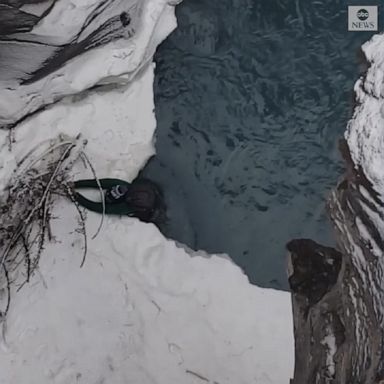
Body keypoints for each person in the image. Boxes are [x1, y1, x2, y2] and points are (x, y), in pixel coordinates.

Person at [71, 177, 166, 224]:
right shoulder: (122, 185)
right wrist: (76, 184)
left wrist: (77, 197)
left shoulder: (125, 208)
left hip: (149, 209)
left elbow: (100, 208)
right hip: (147, 193)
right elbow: (97, 183)